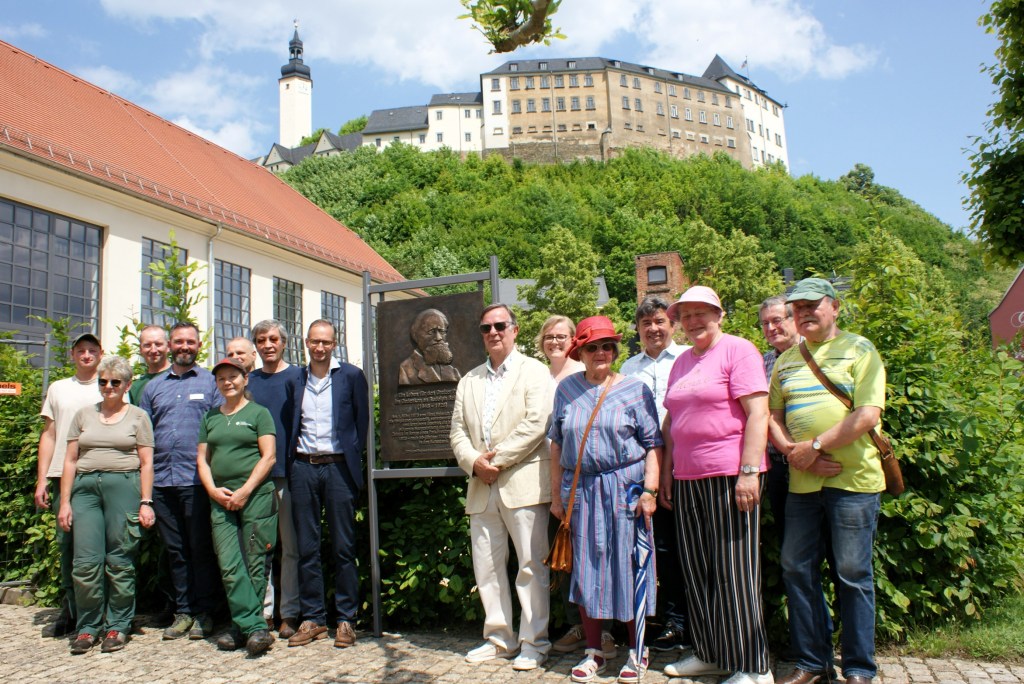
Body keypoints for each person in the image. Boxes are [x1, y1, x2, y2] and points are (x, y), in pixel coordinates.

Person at [770, 278, 886, 684]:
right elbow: (773, 417)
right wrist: (792, 452)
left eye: (811, 305)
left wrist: (813, 446)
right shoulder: (786, 360)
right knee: (796, 568)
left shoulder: (860, 349)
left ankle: (858, 668)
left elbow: (867, 414)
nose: (803, 313)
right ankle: (812, 662)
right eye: (796, 307)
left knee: (853, 573)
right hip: (802, 484)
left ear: (834, 306)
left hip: (854, 482)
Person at [660, 286, 773, 684]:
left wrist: (748, 472)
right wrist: (667, 470)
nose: (693, 322)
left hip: (729, 475)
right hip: (687, 478)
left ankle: (753, 666)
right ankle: (711, 653)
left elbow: (758, 413)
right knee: (698, 569)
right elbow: (672, 422)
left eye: (701, 313)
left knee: (735, 571)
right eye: (686, 315)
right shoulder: (681, 363)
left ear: (719, 315)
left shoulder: (739, 350)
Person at [549, 315, 662, 684]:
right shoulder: (566, 389)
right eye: (592, 346)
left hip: (624, 490)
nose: (600, 352)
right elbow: (557, 444)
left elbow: (653, 445)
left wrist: (650, 491)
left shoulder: (635, 389)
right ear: (579, 351)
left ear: (615, 349)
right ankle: (594, 651)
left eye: (607, 345)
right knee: (586, 570)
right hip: (581, 491)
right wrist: (556, 495)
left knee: (629, 568)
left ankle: (637, 650)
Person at [450, 303, 553, 671]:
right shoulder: (469, 380)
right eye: (485, 328)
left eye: (500, 326)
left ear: (515, 329)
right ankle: (499, 639)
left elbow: (536, 423)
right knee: (488, 568)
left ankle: (534, 641)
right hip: (482, 487)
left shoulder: (536, 372)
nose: (493, 332)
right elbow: (458, 431)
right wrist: (473, 462)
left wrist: (495, 461)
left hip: (522, 482)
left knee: (530, 565)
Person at [56, 355, 155, 654]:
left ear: (126, 385)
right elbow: (70, 460)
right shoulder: (84, 415)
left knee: (120, 559)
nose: (108, 387)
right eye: (103, 381)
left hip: (124, 487)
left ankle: (118, 625)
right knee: (85, 562)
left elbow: (147, 463)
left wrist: (145, 502)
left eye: (115, 382)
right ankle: (87, 627)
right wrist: (65, 503)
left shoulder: (138, 416)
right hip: (85, 490)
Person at [287, 319, 369, 650]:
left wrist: (351, 460)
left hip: (338, 468)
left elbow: (361, 424)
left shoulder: (350, 376)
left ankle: (346, 620)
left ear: (335, 344)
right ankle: (313, 618)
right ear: (306, 342)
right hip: (304, 467)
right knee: (306, 547)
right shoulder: (296, 379)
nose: (320, 347)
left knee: (343, 547)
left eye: (326, 342)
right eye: (314, 342)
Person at [140, 321, 223, 641]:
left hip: (196, 481)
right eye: (179, 342)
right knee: (175, 551)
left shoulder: (211, 383)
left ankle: (204, 612)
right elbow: (144, 437)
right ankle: (183, 611)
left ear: (199, 346)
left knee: (200, 548)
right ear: (170, 345)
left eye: (190, 342)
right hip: (161, 482)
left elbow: (219, 429)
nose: (184, 346)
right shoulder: (153, 387)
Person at [539, 315, 616, 660]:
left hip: (589, 481)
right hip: (553, 481)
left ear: (574, 342)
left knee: (599, 554)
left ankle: (604, 632)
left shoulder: (584, 375)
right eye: (549, 336)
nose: (554, 342)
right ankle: (578, 624)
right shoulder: (537, 374)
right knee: (567, 556)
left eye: (562, 336)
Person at [619, 296, 692, 653]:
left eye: (660, 322)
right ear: (638, 329)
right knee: (655, 546)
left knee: (688, 547)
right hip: (645, 471)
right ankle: (665, 619)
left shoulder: (687, 360)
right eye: (646, 324)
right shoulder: (628, 368)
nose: (653, 329)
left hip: (687, 465)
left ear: (672, 325)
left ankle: (689, 622)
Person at [197, 357, 277, 657]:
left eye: (233, 376)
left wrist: (244, 491)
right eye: (221, 379)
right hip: (220, 498)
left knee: (256, 562)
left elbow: (268, 457)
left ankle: (243, 627)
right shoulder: (210, 418)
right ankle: (254, 626)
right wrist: (214, 491)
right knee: (230, 564)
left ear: (245, 380)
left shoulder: (259, 413)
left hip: (255, 495)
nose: (227, 382)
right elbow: (202, 460)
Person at [35, 331, 103, 637]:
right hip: (64, 475)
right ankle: (71, 609)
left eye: (92, 350)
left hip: (99, 471)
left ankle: (99, 612)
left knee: (101, 547)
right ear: (72, 355)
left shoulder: (110, 385)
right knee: (67, 546)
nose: (86, 355)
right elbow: (49, 434)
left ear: (100, 354)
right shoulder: (59, 388)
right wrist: (41, 479)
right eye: (81, 350)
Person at [248, 320, 303, 639]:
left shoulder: (297, 376)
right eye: (261, 339)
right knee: (259, 548)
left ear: (284, 342)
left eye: (273, 339)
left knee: (291, 548)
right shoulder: (248, 382)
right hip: (256, 477)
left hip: (288, 474)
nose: (267, 344)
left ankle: (290, 612)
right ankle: (263, 612)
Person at [759, 295, 800, 539]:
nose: (771, 328)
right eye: (765, 323)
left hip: (820, 457)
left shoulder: (816, 353)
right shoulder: (762, 362)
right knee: (791, 540)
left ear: (794, 319)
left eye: (777, 320)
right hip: (779, 466)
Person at [398, 308, 462, 385]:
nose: (439, 338)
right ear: (415, 335)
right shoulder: (406, 370)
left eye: (442, 331)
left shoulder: (453, 372)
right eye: (431, 331)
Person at [128, 325, 170, 404]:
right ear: (140, 349)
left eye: (158, 344)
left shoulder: (181, 378)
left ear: (168, 346)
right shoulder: (135, 387)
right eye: (147, 345)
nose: (153, 350)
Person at [536, 315, 584, 383]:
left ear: (573, 339)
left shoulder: (585, 374)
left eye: (561, 337)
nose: (554, 342)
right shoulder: (539, 377)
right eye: (549, 337)